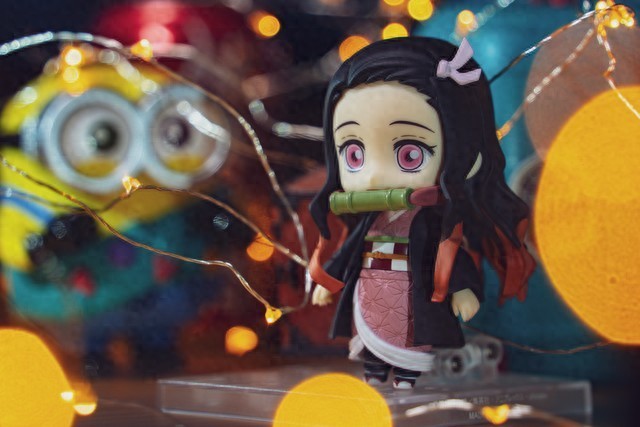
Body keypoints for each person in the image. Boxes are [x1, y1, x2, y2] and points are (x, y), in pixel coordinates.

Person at [308, 37, 535, 389]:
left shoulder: (431, 222)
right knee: (369, 332)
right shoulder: (370, 219)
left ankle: (407, 375)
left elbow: (449, 252)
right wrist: (330, 279)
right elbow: (350, 250)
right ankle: (375, 370)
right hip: (371, 288)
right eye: (354, 155)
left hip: (410, 293)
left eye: (409, 155)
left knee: (409, 337)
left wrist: (462, 289)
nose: (373, 176)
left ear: (467, 156)